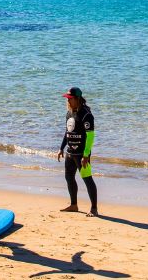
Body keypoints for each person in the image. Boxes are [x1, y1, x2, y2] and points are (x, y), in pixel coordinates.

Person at [57, 87, 98, 216]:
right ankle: (73, 205)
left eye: (70, 99)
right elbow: (67, 131)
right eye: (67, 99)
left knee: (87, 179)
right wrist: (61, 148)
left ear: (78, 99)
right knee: (68, 177)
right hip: (70, 153)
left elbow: (90, 136)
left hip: (82, 154)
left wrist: (86, 155)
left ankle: (94, 209)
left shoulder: (86, 114)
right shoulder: (69, 113)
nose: (68, 101)